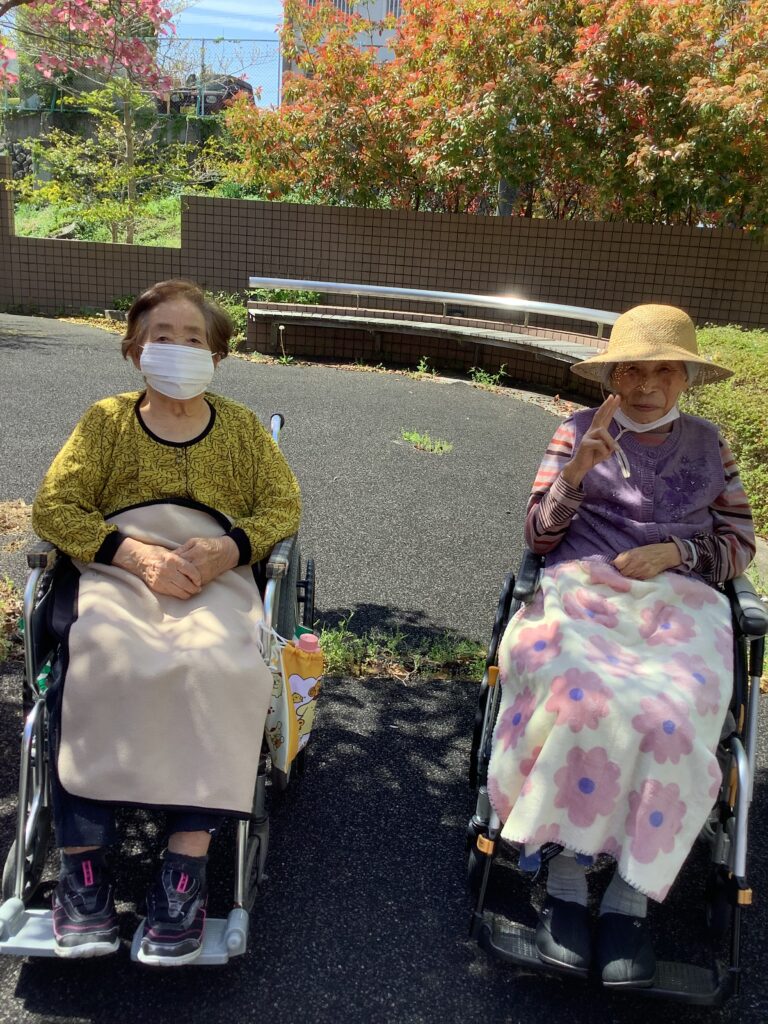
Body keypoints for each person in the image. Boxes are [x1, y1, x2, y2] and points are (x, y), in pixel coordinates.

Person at [32, 279, 301, 964]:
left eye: (194, 339)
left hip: (214, 571)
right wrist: (135, 556)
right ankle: (83, 872)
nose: (178, 349)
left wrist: (228, 550)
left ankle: (184, 868)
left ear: (217, 355)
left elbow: (282, 507)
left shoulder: (240, 429)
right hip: (121, 568)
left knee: (224, 667)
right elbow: (55, 507)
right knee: (100, 659)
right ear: (134, 349)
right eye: (162, 337)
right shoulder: (106, 422)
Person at [487, 304, 755, 988]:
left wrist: (676, 553)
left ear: (686, 378)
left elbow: (738, 544)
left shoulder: (710, 445)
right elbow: (538, 538)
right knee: (583, 702)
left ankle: (630, 895)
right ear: (611, 376)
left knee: (669, 718)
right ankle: (568, 877)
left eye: (663, 370)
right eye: (631, 369)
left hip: (678, 601)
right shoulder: (577, 431)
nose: (645, 385)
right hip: (582, 590)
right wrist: (575, 474)